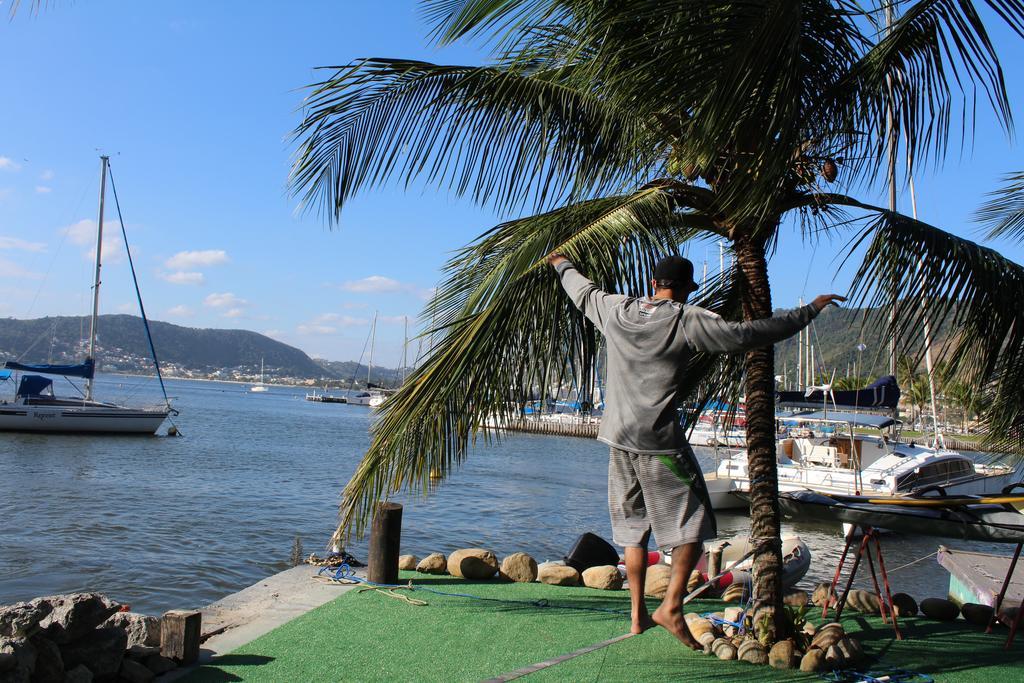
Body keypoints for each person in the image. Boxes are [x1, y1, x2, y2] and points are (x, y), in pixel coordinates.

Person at [547, 252, 843, 650]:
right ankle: (669, 607)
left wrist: (562, 263)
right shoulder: (686, 318)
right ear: (686, 287)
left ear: (653, 282)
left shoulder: (615, 310)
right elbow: (746, 335)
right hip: (659, 442)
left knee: (634, 531)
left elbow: (580, 290)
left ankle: (636, 616)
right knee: (696, 522)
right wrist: (808, 312)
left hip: (615, 438)